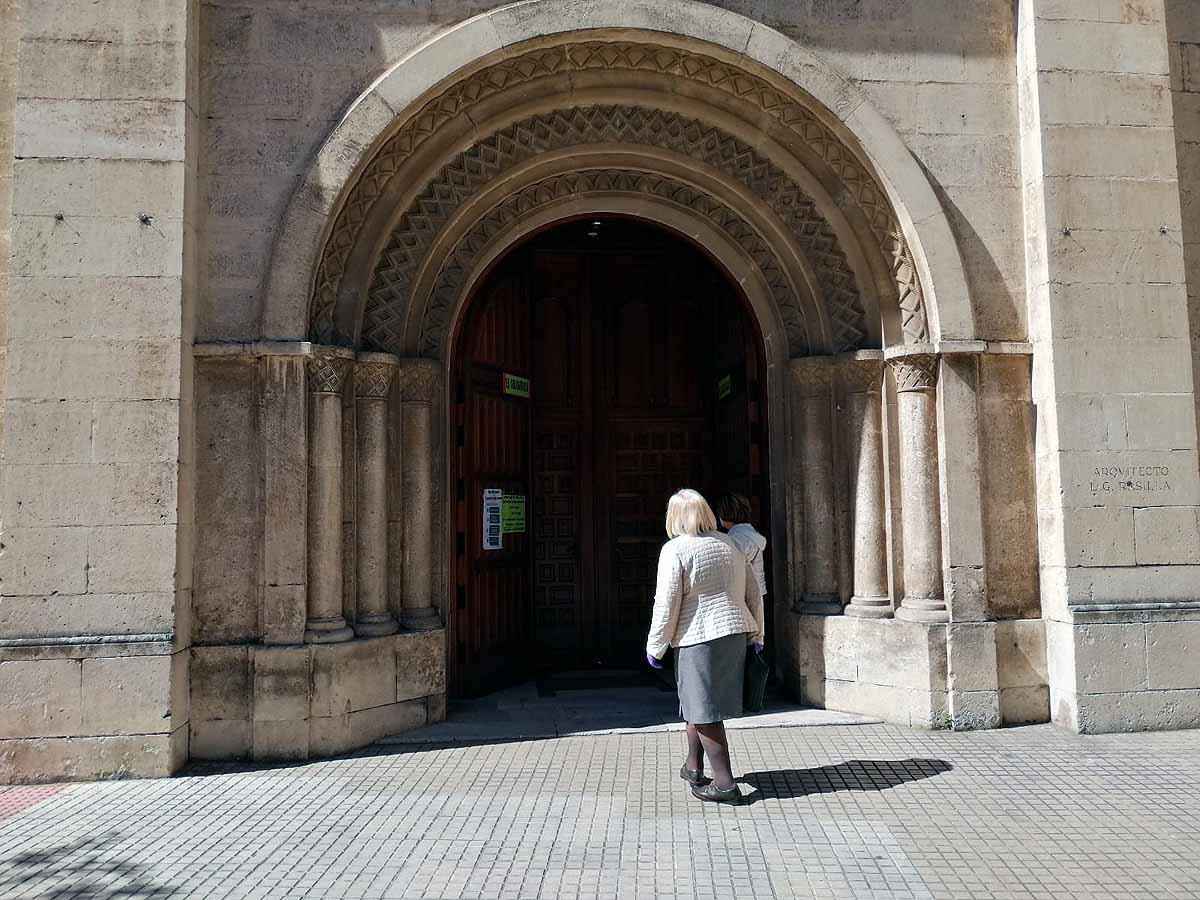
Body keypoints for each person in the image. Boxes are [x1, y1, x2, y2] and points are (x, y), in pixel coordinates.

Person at [645, 489, 765, 804]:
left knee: (705, 710)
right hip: (734, 632)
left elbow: (667, 602)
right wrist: (758, 636)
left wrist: (655, 646)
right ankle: (693, 766)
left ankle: (725, 784)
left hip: (699, 637)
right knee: (695, 703)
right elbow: (752, 593)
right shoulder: (730, 544)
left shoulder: (675, 550)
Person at [716, 492, 767, 604]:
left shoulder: (736, 539)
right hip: (758, 593)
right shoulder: (750, 534)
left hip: (745, 596)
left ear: (723, 515)